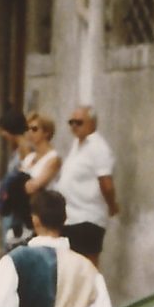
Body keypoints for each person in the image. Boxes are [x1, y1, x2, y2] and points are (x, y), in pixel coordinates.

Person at [58, 105, 120, 264]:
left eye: (79, 122)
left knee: (88, 267)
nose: (74, 126)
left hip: (88, 218)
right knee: (72, 267)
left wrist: (112, 206)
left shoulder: (98, 147)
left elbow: (106, 183)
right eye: (71, 122)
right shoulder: (78, 144)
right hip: (71, 217)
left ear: (92, 123)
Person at [0, 103, 32, 253]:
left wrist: (2, 187)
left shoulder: (24, 148)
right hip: (13, 201)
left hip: (17, 204)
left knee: (12, 243)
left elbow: (22, 175)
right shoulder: (19, 149)